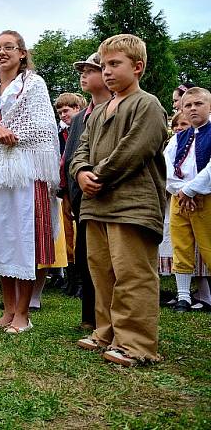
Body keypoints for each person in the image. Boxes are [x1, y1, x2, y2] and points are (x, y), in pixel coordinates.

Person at [71, 34, 168, 366]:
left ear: (137, 67)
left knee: (132, 273)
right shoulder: (98, 111)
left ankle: (137, 343)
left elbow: (135, 148)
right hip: (96, 205)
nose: (107, 71)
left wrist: (98, 175)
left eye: (115, 64)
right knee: (102, 272)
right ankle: (106, 332)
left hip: (133, 204)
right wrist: (81, 171)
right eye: (104, 65)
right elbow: (80, 148)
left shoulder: (147, 104)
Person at [0, 30, 60, 335]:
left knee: (22, 238)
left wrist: (12, 132)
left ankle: (23, 313)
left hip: (24, 168)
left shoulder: (33, 84)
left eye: (9, 47)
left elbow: (43, 125)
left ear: (22, 53)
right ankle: (7, 312)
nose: (2, 52)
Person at [62, 52, 112, 330]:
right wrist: (67, 194)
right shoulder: (80, 117)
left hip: (109, 193)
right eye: (81, 70)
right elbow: (68, 158)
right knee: (86, 255)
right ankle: (89, 317)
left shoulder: (120, 108)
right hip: (81, 196)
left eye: (90, 69)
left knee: (112, 259)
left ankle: (112, 320)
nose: (84, 74)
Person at [30, 92, 87, 309]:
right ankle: (72, 280)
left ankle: (80, 281)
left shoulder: (80, 128)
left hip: (77, 185)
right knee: (69, 237)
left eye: (67, 110)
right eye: (60, 111)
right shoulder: (59, 131)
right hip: (63, 188)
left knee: (81, 236)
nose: (63, 115)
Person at [165, 87, 211, 312]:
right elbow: (167, 167)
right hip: (179, 199)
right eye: (188, 105)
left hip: (206, 197)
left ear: (209, 106)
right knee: (180, 246)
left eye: (198, 104)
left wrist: (191, 190)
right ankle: (183, 296)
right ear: (182, 108)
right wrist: (181, 191)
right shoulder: (177, 138)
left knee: (209, 247)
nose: (193, 109)